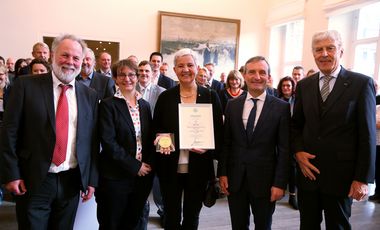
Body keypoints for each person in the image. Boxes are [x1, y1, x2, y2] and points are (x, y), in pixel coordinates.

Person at [0, 34, 99, 230]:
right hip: (33, 179)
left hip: (71, 181)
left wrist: (90, 179)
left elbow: (91, 141)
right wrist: (11, 174)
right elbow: (9, 132)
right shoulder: (26, 86)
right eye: (65, 55)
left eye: (76, 58)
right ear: (53, 55)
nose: (70, 62)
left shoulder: (89, 95)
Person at [291, 30, 376, 229]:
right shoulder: (304, 86)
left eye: (330, 48)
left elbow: (367, 136)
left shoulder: (361, 84)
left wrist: (362, 179)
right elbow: (296, 125)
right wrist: (298, 152)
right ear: (313, 54)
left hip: (341, 176)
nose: (324, 54)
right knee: (308, 225)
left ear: (341, 51)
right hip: (308, 174)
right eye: (319, 49)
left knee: (337, 226)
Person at [153, 48, 223, 229]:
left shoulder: (210, 96)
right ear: (174, 70)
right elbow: (157, 130)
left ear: (197, 68)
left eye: (190, 65)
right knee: (171, 215)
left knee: (192, 216)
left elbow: (218, 131)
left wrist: (208, 146)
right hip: (170, 166)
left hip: (199, 166)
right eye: (181, 66)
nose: (186, 69)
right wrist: (164, 142)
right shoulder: (166, 97)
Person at [218, 56, 290, 230]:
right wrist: (223, 173)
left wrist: (280, 183)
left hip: (266, 182)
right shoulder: (232, 105)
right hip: (236, 180)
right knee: (238, 225)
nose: (257, 77)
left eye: (262, 72)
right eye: (252, 72)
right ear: (244, 75)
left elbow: (284, 149)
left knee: (263, 226)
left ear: (268, 76)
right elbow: (226, 142)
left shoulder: (281, 107)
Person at [96, 59, 154, 230]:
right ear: (115, 78)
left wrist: (148, 165)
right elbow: (109, 142)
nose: (127, 79)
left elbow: (149, 138)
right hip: (116, 177)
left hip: (141, 178)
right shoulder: (107, 105)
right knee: (112, 223)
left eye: (131, 75)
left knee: (133, 222)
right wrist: (135, 166)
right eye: (122, 75)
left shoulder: (144, 105)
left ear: (137, 77)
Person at [135, 60, 166, 229]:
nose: (144, 74)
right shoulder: (131, 89)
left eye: (147, 71)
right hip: (139, 144)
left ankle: (162, 211)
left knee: (158, 182)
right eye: (141, 71)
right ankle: (142, 213)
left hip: (158, 142)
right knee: (141, 182)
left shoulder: (162, 92)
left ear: (153, 73)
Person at [277, 76, 298, 210]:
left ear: (292, 87)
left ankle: (292, 195)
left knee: (293, 167)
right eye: (284, 85)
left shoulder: (298, 101)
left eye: (288, 86)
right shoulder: (276, 101)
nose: (286, 88)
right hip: (279, 139)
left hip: (293, 139)